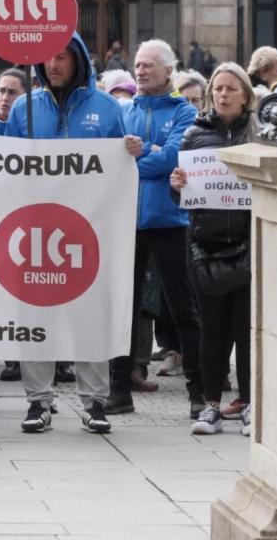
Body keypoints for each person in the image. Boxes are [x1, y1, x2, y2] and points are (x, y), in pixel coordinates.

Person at [3, 33, 128, 435]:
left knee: (90, 317)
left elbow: (121, 172)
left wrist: (132, 153)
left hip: (87, 235)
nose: (52, 64)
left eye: (60, 57)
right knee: (35, 319)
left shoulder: (107, 109)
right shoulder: (24, 108)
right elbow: (5, 166)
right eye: (45, 58)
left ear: (77, 60)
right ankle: (39, 402)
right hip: (35, 233)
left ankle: (94, 402)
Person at [110, 40, 204, 420]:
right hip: (127, 222)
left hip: (169, 221)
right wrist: (149, 155)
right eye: (138, 64)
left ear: (169, 72)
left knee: (183, 309)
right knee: (123, 308)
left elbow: (172, 157)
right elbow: (118, 160)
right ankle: (119, 389)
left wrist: (140, 155)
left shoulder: (184, 111)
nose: (141, 70)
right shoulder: (123, 109)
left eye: (149, 65)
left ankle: (200, 391)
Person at [172, 62, 256, 437]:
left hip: (247, 245)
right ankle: (209, 406)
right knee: (212, 331)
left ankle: (251, 403)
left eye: (230, 89)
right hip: (206, 245)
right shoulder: (193, 136)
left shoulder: (260, 135)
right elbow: (183, 197)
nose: (222, 95)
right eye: (218, 89)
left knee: (247, 329)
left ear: (246, 96)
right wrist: (177, 184)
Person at [0, 68, 29, 135]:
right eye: (2, 91)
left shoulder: (33, 126)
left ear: (25, 95)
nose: (5, 98)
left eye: (12, 92)